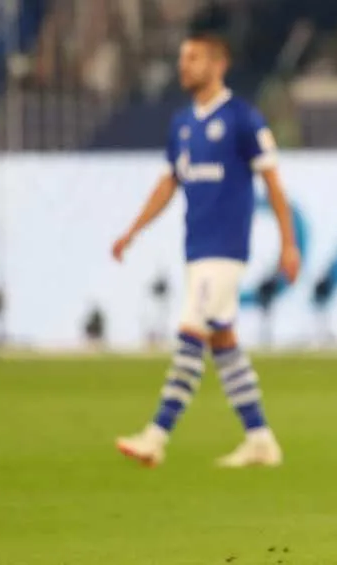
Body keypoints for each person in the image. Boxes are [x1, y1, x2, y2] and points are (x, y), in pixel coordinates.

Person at [111, 31, 301, 468]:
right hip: (196, 250)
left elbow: (273, 182)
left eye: (193, 58)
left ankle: (156, 436)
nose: (184, 66)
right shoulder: (181, 123)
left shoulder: (242, 118)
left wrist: (288, 243)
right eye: (183, 58)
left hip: (225, 250)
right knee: (223, 344)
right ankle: (260, 439)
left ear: (219, 64)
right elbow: (168, 182)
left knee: (190, 335)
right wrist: (133, 230)